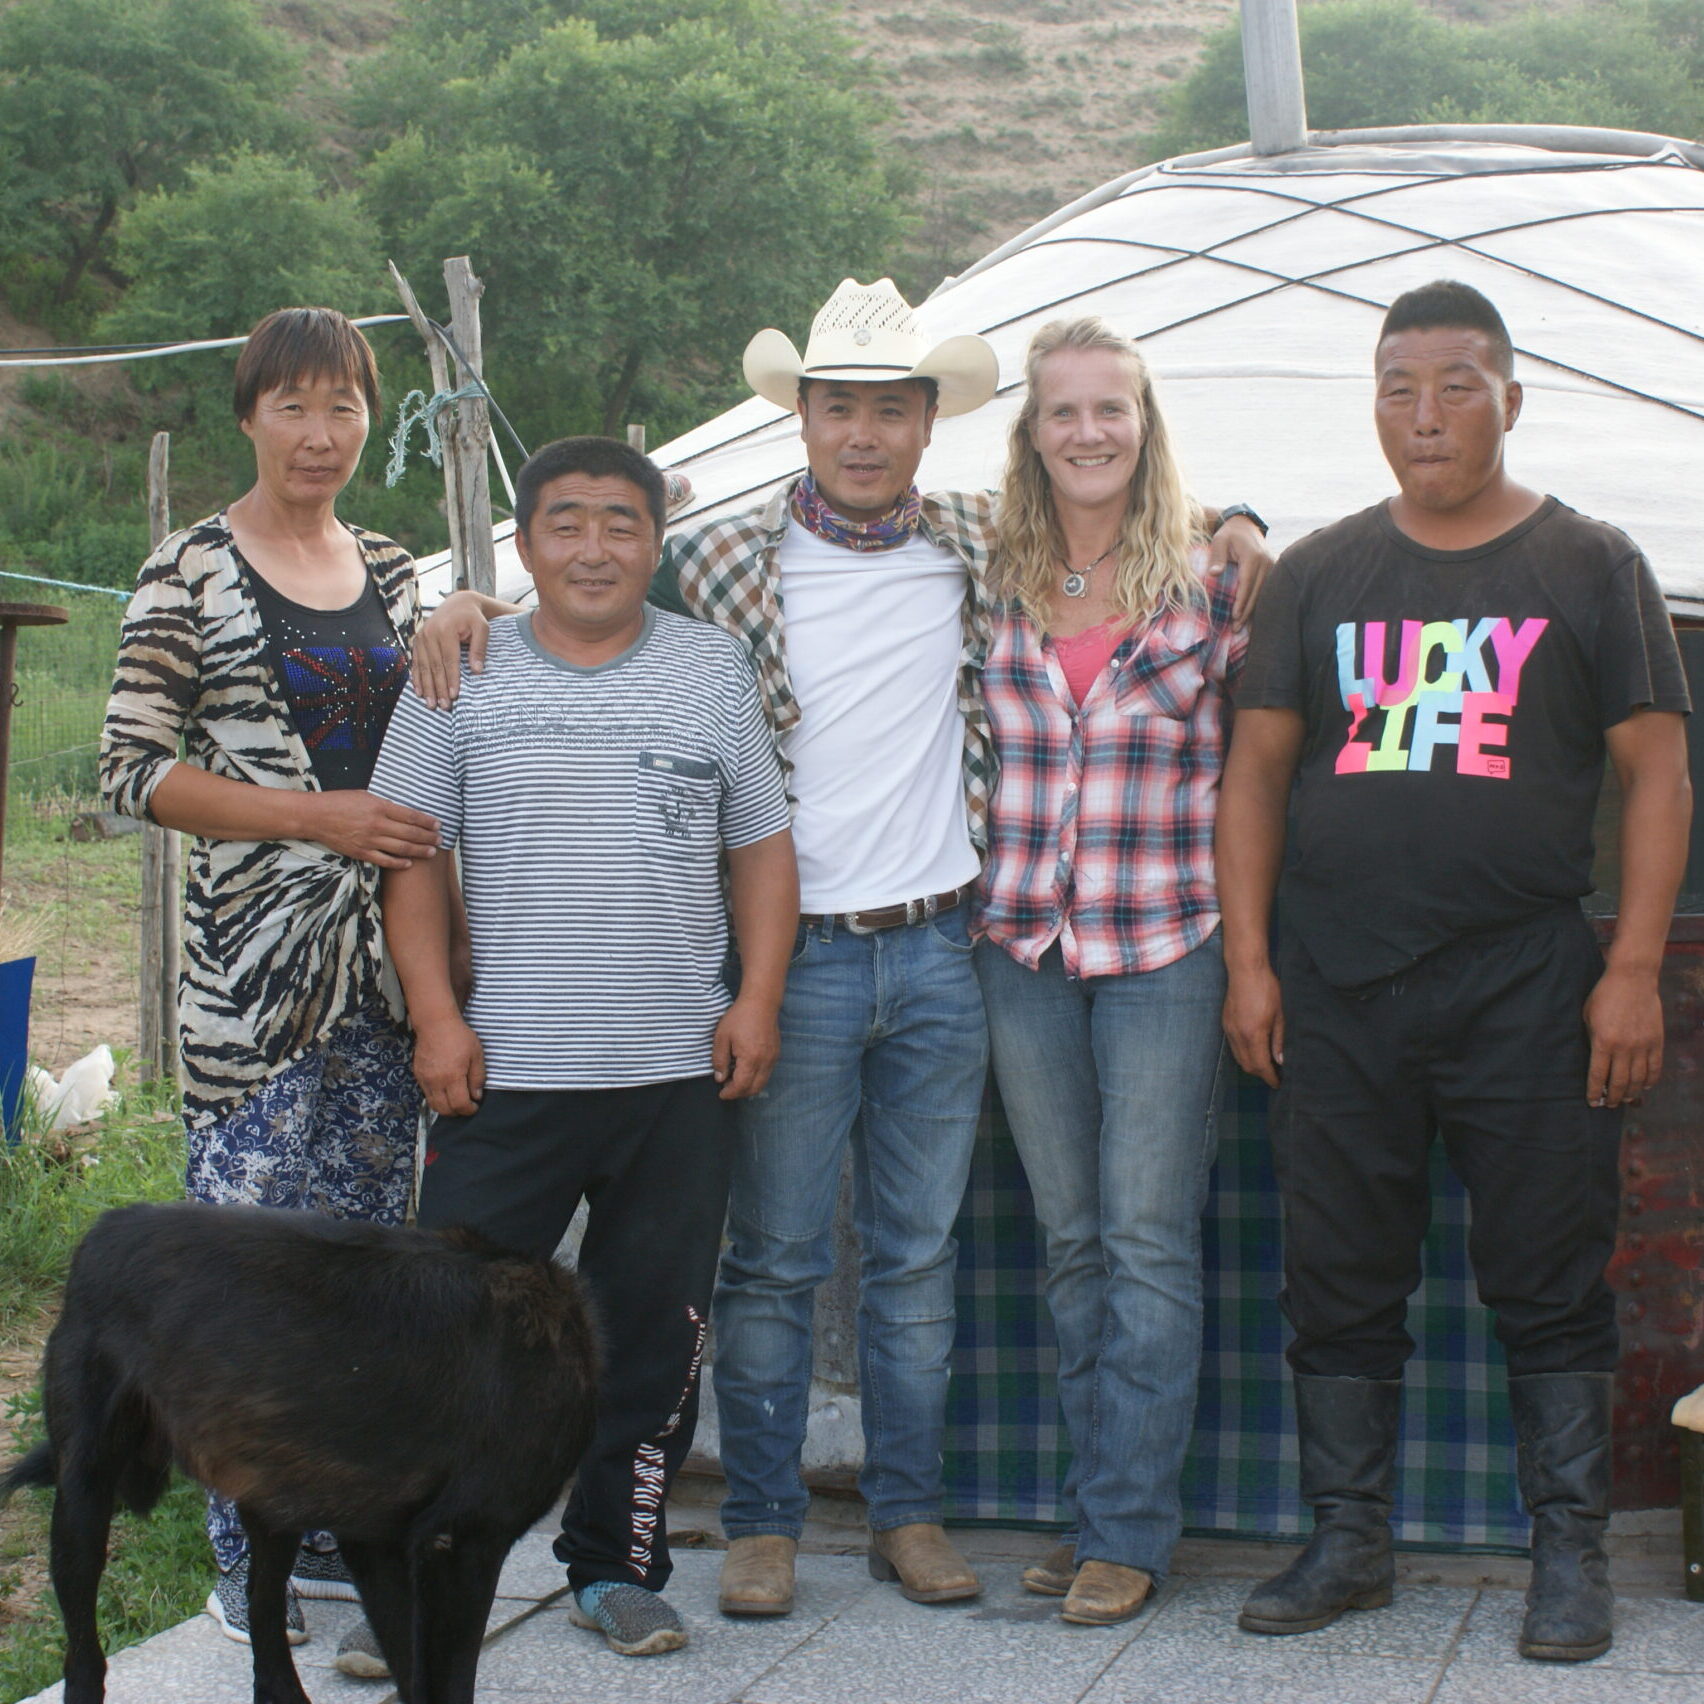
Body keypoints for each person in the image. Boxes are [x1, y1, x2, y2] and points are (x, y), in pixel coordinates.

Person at [410, 278, 1271, 1620]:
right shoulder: (723, 556)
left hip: (946, 947)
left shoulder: (990, 545)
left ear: (931, 424)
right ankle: (761, 1523)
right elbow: (584, 569)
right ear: (799, 418)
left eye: (889, 410)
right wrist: (461, 597)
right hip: (789, 960)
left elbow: (1142, 527)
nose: (862, 435)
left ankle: (908, 1516)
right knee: (776, 1258)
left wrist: (1241, 520)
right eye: (837, 409)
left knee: (916, 1256)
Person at [1217, 280, 1691, 1663]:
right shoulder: (1318, 573)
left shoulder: (1590, 564)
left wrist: (1636, 968)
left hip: (1528, 979)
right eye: (1397, 388)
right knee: (1339, 1268)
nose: (1424, 416)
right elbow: (1253, 775)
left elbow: (1658, 774)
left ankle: (1569, 1556)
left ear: (1511, 399)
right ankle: (1351, 1539)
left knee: (1549, 1267)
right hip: (1340, 982)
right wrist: (1252, 962)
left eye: (1456, 385)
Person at [370, 435, 797, 1657]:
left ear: (655, 542)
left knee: (651, 1338)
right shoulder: (463, 669)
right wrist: (437, 1019)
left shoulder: (712, 668)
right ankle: (423, 1582)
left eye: (621, 523)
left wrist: (755, 995)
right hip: (504, 1074)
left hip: (674, 1076)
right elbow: (410, 851)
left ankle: (615, 1566)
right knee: (450, 1338)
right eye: (566, 523)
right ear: (523, 542)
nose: (594, 547)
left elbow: (760, 847)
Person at [99, 306, 441, 1663]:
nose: (320, 435)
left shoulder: (397, 569)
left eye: (344, 407)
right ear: (248, 415)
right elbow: (130, 771)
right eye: (293, 406)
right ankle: (245, 1572)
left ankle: (346, 1547)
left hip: (389, 981)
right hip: (252, 994)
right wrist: (321, 820)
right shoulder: (183, 572)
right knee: (245, 1287)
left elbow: (448, 726)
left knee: (360, 1285)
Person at [973, 316, 1253, 1625]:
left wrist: (1250, 520)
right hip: (1022, 942)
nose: (1089, 431)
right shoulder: (984, 567)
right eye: (1063, 411)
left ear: (1147, 424)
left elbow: (1269, 767)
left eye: (1113, 409)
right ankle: (1096, 1508)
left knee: (1143, 1241)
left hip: (1164, 945)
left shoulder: (1214, 581)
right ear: (1030, 431)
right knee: (1072, 1241)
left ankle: (1128, 1530)